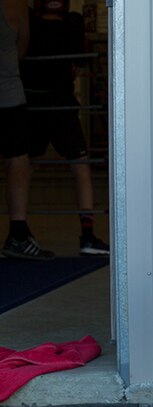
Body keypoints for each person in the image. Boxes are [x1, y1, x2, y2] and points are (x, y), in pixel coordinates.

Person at [19, 0, 109, 256]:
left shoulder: (71, 22)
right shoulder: (33, 19)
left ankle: (87, 235)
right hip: (40, 103)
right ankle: (20, 232)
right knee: (25, 166)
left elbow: (78, 60)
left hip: (54, 103)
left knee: (78, 165)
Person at [1, 0, 54, 260]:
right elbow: (21, 49)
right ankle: (18, 234)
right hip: (8, 92)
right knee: (17, 160)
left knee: (18, 160)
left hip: (9, 94)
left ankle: (19, 236)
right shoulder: (15, 6)